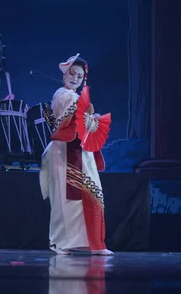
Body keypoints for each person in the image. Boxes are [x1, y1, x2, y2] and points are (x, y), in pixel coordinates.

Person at [39, 54, 113, 256]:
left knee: (92, 195)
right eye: (72, 74)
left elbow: (83, 120)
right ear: (65, 75)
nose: (75, 79)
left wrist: (93, 119)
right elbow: (74, 118)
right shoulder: (63, 94)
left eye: (80, 76)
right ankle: (59, 242)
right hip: (64, 151)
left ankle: (94, 243)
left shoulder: (77, 98)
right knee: (65, 201)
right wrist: (91, 118)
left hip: (80, 150)